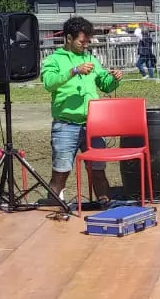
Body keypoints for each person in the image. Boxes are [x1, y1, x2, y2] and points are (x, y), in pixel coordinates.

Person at [41, 16, 122, 207]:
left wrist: (114, 78)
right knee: (61, 172)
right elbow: (48, 84)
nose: (85, 45)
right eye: (81, 41)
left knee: (98, 170)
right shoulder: (53, 60)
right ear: (69, 38)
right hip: (65, 125)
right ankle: (53, 206)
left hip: (93, 126)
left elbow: (105, 85)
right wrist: (74, 70)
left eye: (87, 41)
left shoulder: (91, 58)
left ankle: (105, 205)